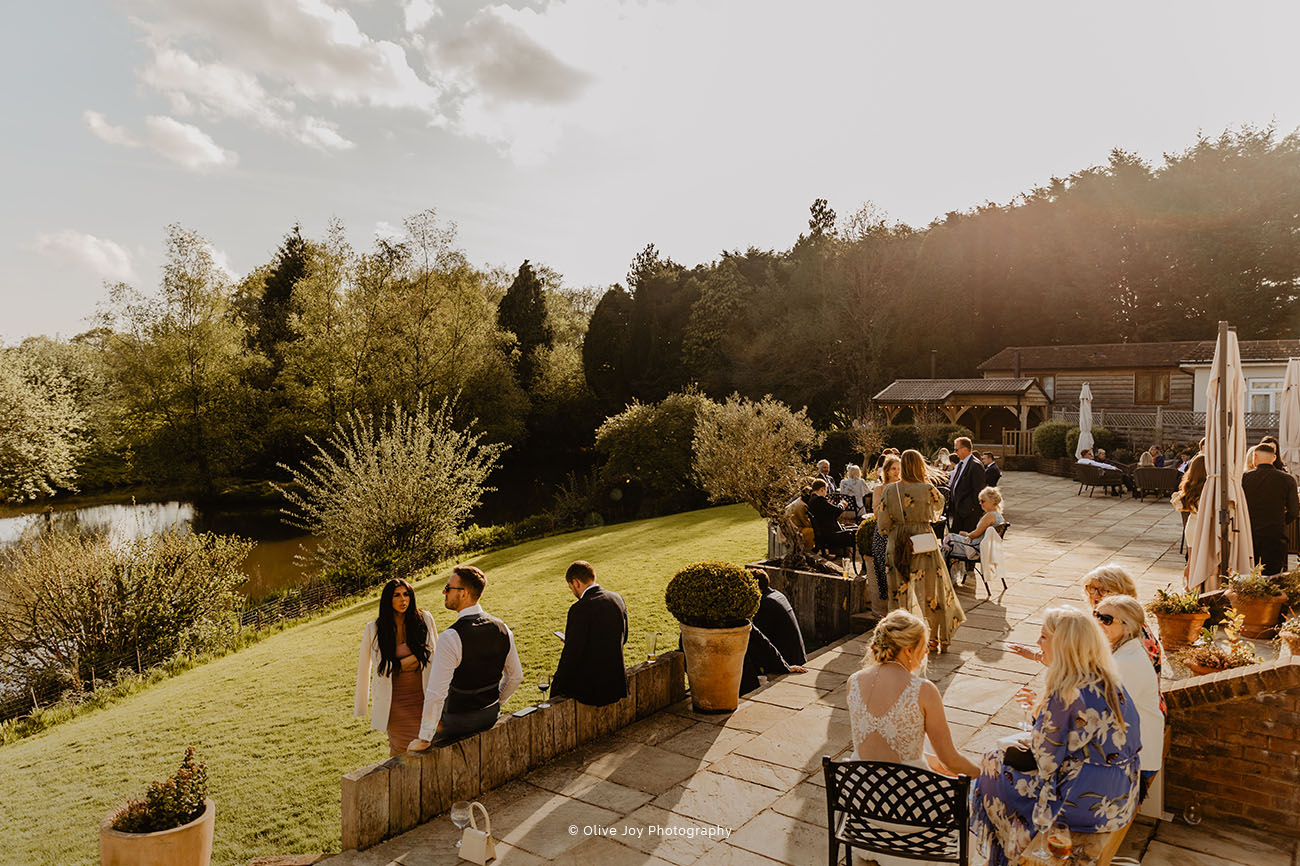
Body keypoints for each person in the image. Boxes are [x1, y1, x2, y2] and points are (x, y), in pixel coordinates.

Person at [971, 607, 1141, 866]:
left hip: (1082, 802)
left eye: (1043, 637)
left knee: (992, 766)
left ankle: (1010, 855)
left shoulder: (1066, 691)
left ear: (1063, 645)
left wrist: (1032, 729)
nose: (1037, 642)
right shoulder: (1107, 678)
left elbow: (1046, 763)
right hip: (1122, 793)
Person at [845, 610, 982, 866]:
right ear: (908, 650)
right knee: (975, 794)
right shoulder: (923, 690)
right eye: (924, 645)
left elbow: (881, 744)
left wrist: (928, 759)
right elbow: (951, 760)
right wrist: (983, 774)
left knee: (927, 753)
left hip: (866, 805)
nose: (927, 651)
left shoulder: (853, 682)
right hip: (911, 812)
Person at [409, 565, 523, 750]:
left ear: (463, 594)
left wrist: (424, 738)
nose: (444, 592)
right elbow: (516, 676)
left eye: (448, 588)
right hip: (490, 715)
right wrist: (495, 703)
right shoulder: (503, 628)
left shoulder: (450, 637)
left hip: (456, 723)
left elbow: (436, 694)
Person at [876, 450, 966, 650]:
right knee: (930, 591)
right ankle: (933, 638)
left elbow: (882, 523)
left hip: (897, 543)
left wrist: (899, 526)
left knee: (899, 591)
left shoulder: (890, 490)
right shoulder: (928, 489)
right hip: (923, 542)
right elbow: (938, 511)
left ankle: (902, 637)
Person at [354, 579, 439, 756]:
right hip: (394, 703)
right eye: (397, 595)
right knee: (401, 751)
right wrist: (411, 660)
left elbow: (434, 655)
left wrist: (398, 665)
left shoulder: (424, 619)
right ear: (388, 599)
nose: (403, 600)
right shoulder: (374, 629)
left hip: (424, 698)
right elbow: (370, 669)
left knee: (429, 746)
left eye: (406, 595)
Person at [1094, 595, 1165, 800]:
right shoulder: (1122, 648)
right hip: (1130, 750)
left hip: (1138, 762)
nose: (1098, 622)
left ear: (1127, 627)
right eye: (1096, 615)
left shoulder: (1126, 662)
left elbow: (1103, 713)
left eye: (1106, 619)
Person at [551, 561, 629, 707]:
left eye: (571, 587)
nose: (573, 591)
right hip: (617, 682)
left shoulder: (579, 609)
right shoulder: (617, 598)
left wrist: (555, 687)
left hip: (593, 690)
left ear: (576, 582)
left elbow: (571, 655)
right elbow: (623, 637)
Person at [1242, 441, 1300, 575]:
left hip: (1250, 533)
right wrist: (1281, 521)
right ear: (1274, 458)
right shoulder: (1287, 479)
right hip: (1276, 534)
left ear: (1255, 456)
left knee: (1250, 575)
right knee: (1274, 576)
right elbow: (1294, 511)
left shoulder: (1244, 478)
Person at [942, 486, 1005, 580]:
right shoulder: (998, 516)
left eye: (982, 501)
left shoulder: (990, 516)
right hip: (984, 547)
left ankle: (946, 574)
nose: (980, 504)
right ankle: (954, 574)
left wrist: (966, 534)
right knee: (951, 539)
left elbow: (975, 534)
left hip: (975, 548)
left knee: (949, 538)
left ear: (991, 502)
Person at [751, 568, 806, 666]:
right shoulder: (776, 594)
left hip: (787, 661)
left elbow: (761, 638)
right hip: (797, 656)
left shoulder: (766, 602)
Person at [869, 455, 902, 616]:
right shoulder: (879, 489)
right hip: (883, 533)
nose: (896, 472)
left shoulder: (904, 487)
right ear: (887, 471)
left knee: (899, 573)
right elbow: (876, 513)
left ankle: (900, 611)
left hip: (900, 533)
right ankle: (889, 612)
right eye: (893, 468)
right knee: (883, 571)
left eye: (899, 469)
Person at [1172, 454, 1207, 568]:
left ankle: (1188, 578)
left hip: (1192, 526)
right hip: (1205, 528)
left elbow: (1178, 503)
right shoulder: (1210, 490)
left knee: (1191, 563)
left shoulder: (1189, 487)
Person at [945, 437, 987, 534]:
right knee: (954, 537)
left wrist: (971, 508)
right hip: (958, 509)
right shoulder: (961, 463)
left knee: (965, 538)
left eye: (956, 449)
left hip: (968, 511)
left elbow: (978, 489)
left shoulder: (975, 465)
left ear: (964, 449)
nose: (955, 452)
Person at [808, 479, 857, 555]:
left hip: (824, 532)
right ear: (822, 489)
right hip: (831, 535)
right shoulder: (819, 500)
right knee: (856, 531)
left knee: (854, 527)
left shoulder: (812, 500)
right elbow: (837, 511)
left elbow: (829, 512)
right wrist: (842, 504)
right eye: (826, 490)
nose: (826, 493)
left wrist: (830, 505)